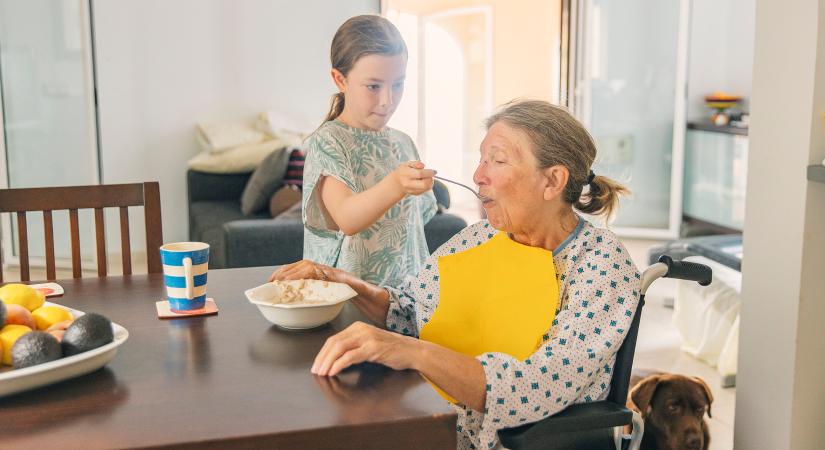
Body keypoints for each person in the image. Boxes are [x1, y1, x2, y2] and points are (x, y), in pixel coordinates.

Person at [271, 100, 642, 449]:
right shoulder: (477, 238)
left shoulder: (601, 265)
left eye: (497, 161)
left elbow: (534, 386)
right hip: (433, 419)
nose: (479, 175)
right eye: (481, 160)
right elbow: (410, 311)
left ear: (553, 180)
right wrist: (342, 281)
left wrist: (413, 352)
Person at [299, 14, 437, 287]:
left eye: (398, 84)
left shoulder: (404, 142)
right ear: (340, 80)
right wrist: (397, 184)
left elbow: (413, 227)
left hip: (404, 298)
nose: (387, 100)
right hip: (347, 299)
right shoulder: (328, 141)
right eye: (373, 86)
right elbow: (347, 218)